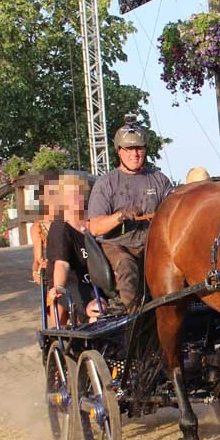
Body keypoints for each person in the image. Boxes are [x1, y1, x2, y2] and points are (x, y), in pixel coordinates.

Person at [87, 117, 172, 312]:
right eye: (129, 149)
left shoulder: (159, 180)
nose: (135, 153)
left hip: (152, 244)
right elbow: (95, 227)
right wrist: (121, 216)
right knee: (126, 266)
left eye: (139, 148)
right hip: (118, 245)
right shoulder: (106, 183)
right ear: (119, 151)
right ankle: (134, 321)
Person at [44, 173, 100, 326]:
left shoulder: (93, 220)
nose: (75, 199)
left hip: (95, 278)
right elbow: (62, 264)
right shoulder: (60, 226)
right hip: (70, 279)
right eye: (70, 196)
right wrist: (58, 287)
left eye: (78, 194)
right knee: (95, 308)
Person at [30, 173, 60, 283]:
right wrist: (35, 272)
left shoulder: (70, 219)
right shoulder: (37, 227)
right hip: (54, 268)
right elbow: (37, 259)